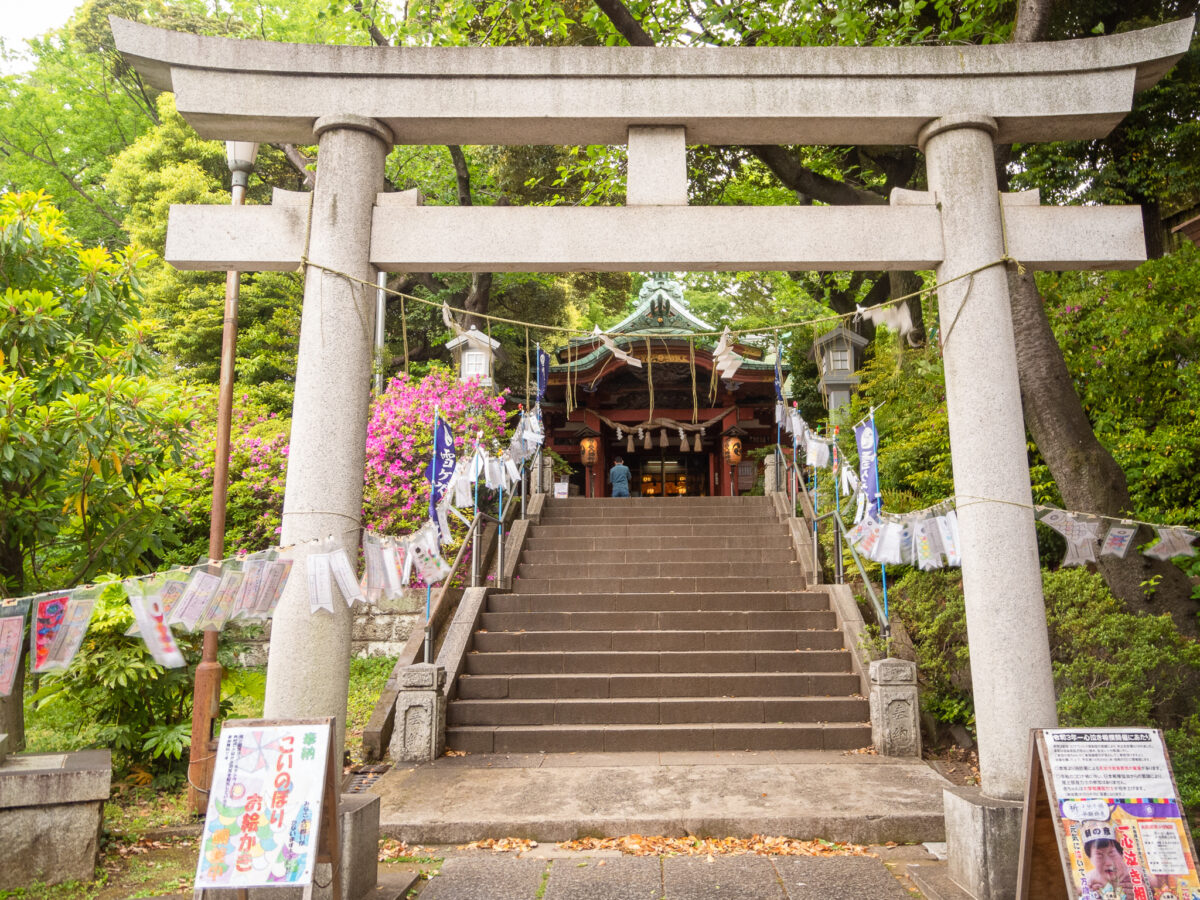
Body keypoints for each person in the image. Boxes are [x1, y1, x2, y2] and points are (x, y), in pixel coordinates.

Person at [1081, 821, 1134, 897]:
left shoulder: (1132, 873)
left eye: (1112, 853)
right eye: (1099, 855)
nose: (1108, 862)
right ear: (1090, 859)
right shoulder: (1091, 878)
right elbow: (1077, 890)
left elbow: (1156, 882)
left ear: (1121, 854)